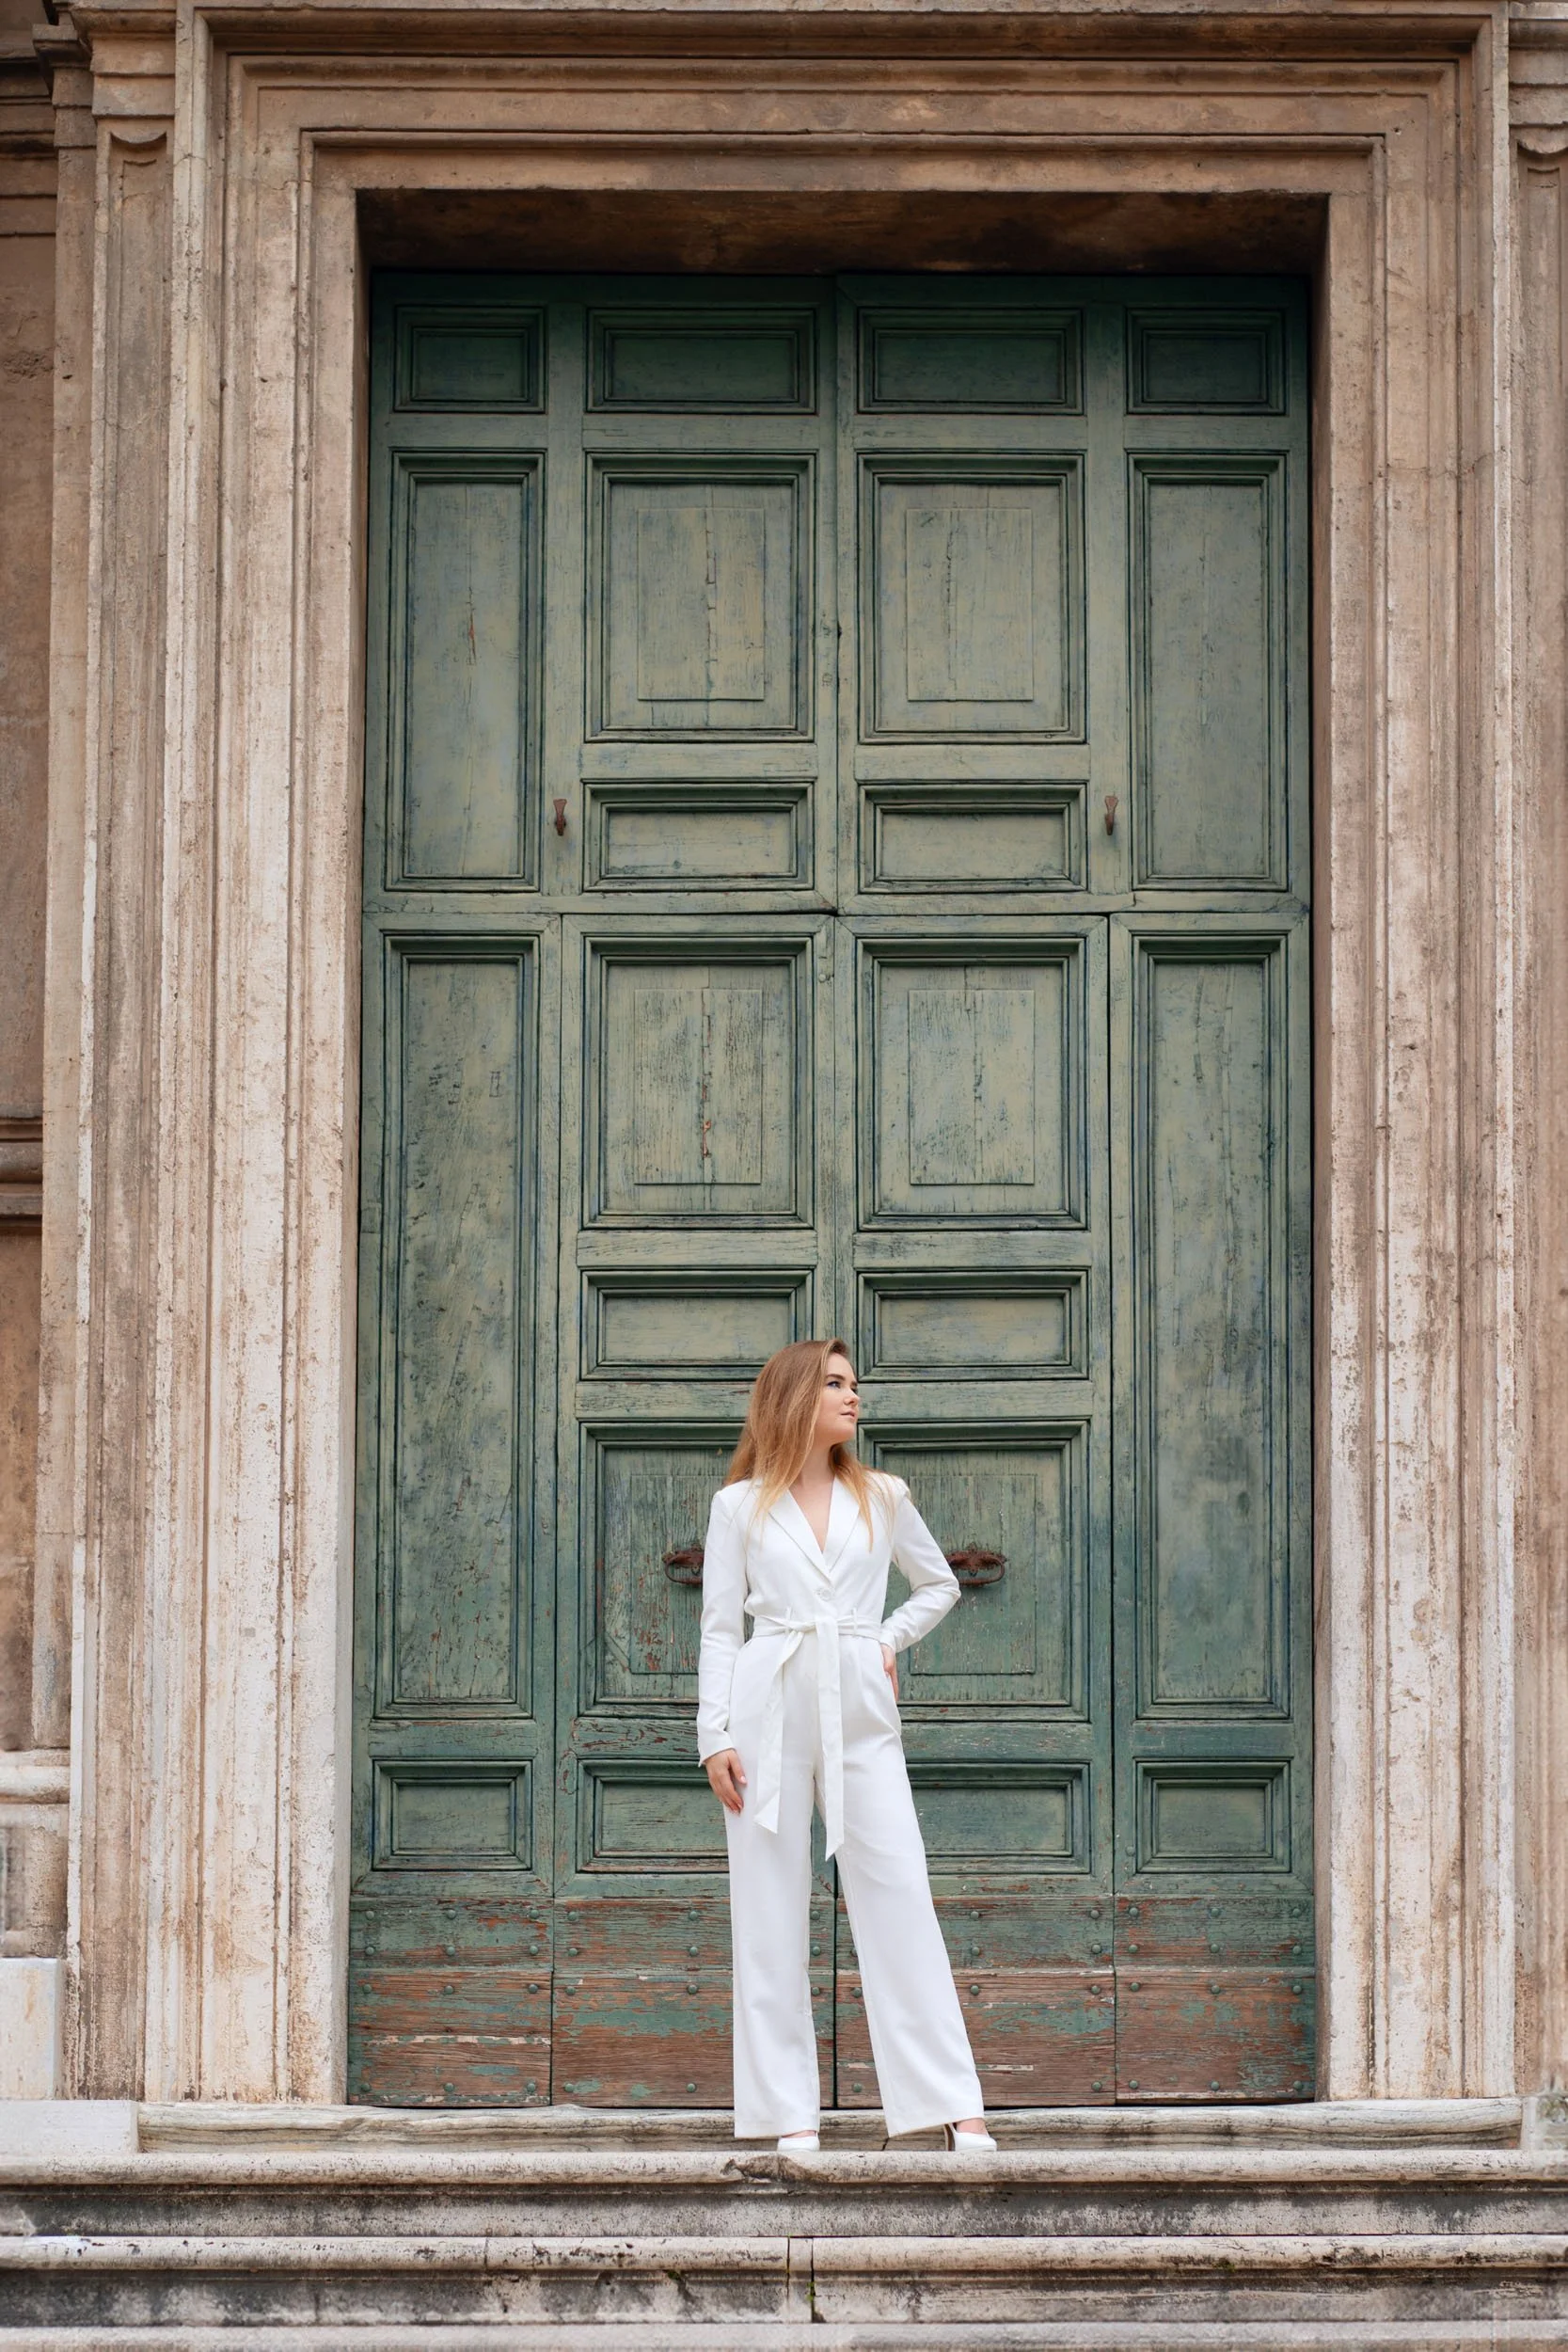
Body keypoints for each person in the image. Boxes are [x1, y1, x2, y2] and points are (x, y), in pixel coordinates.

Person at [697, 1336, 996, 2154]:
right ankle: (784, 2111)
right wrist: (712, 1734)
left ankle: (950, 2101)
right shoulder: (740, 1506)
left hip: (858, 1702)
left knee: (897, 1887)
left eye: (853, 1384)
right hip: (766, 1697)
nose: (852, 1396)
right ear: (795, 1396)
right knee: (766, 1906)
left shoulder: (885, 1495)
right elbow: (721, 1626)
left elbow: (938, 1585)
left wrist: (883, 1641)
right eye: (834, 1383)